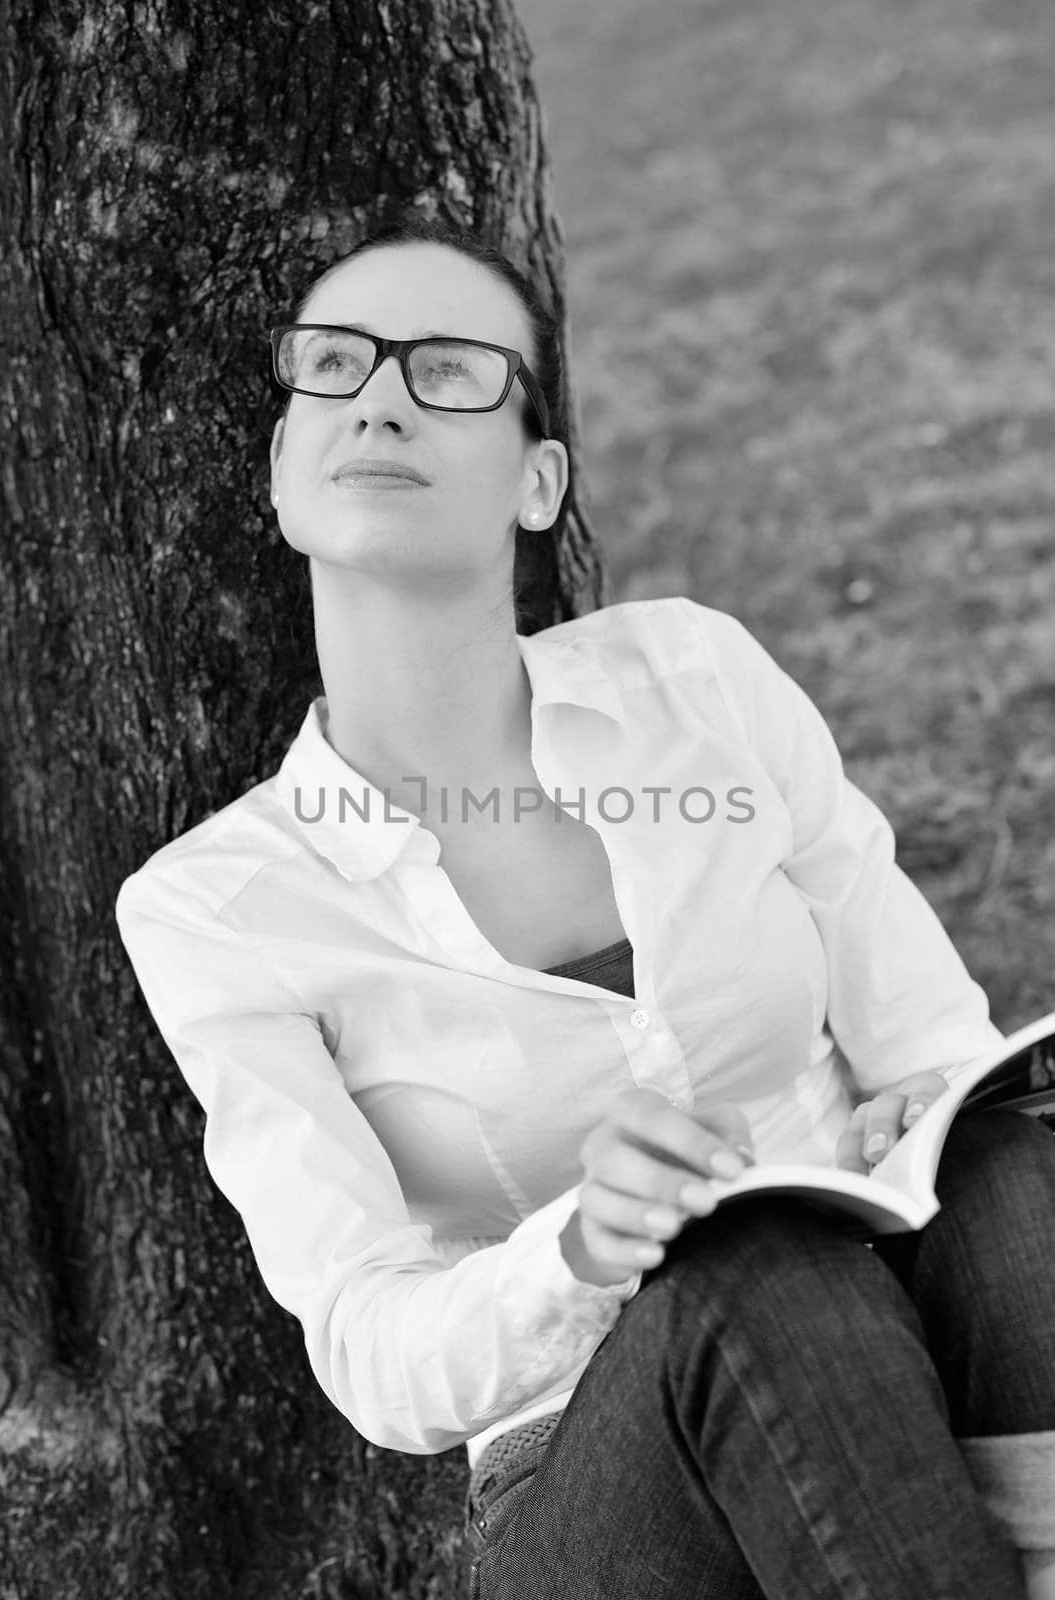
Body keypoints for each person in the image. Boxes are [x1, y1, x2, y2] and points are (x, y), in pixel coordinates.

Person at [114, 217, 1055, 1600]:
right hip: (592, 1480)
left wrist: (925, 1100)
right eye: (333, 364)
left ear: (538, 482)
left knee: (1007, 1181)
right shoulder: (216, 907)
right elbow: (372, 1351)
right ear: (279, 470)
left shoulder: (694, 678)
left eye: (449, 368)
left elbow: (926, 1035)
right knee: (758, 1266)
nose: (378, 394)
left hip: (894, 1320)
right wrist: (581, 1250)